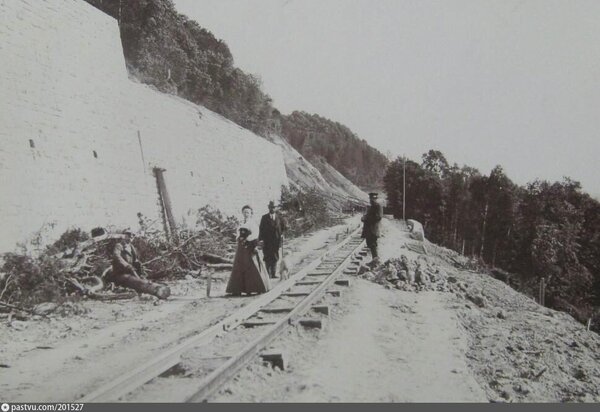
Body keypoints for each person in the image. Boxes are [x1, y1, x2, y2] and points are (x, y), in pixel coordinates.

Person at [106, 229, 171, 299]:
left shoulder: (131, 247)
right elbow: (117, 256)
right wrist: (127, 265)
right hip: (120, 274)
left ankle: (157, 289)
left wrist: (139, 268)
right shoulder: (119, 246)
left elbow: (135, 260)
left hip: (130, 272)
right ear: (124, 236)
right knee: (134, 281)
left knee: (142, 280)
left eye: (132, 236)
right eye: (128, 235)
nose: (131, 237)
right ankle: (155, 290)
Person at [226, 205, 271, 295]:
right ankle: (237, 289)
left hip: (249, 245)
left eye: (248, 212)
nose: (246, 214)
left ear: (251, 213)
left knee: (250, 265)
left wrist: (247, 239)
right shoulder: (241, 223)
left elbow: (255, 234)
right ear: (242, 213)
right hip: (241, 247)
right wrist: (239, 238)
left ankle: (253, 288)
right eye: (244, 212)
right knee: (239, 266)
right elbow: (237, 233)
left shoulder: (253, 223)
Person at [259, 200, 286, 279]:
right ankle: (267, 274)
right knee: (267, 256)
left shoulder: (279, 217)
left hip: (276, 241)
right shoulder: (264, 217)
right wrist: (261, 240)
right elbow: (261, 229)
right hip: (267, 241)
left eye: (273, 207)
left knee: (275, 256)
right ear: (268, 208)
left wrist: (282, 235)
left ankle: (273, 274)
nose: (272, 209)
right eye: (271, 207)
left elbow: (284, 228)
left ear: (275, 208)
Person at [361, 192, 383, 267]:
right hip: (369, 229)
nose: (371, 200)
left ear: (375, 199)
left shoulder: (378, 206)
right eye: (370, 199)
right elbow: (369, 215)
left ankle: (375, 261)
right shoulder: (372, 207)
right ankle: (375, 260)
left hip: (373, 229)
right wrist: (364, 217)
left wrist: (367, 219)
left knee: (373, 244)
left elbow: (378, 217)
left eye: (372, 199)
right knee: (370, 244)